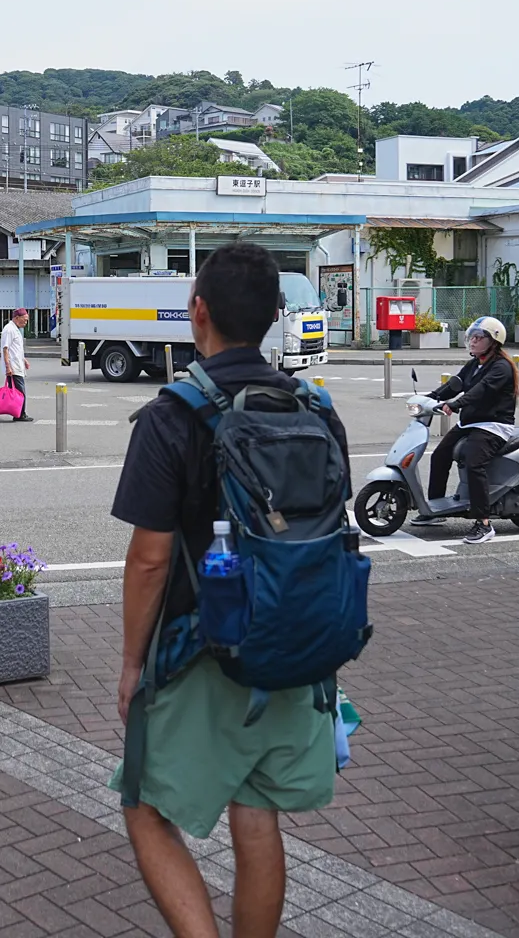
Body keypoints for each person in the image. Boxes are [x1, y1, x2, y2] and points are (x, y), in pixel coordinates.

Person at [109, 242, 351, 938]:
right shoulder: (316, 407)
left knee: (143, 804)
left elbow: (150, 561)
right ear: (276, 316)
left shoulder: (173, 415)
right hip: (297, 644)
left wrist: (131, 666)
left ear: (199, 312)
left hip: (201, 652)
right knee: (256, 811)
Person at [424, 315, 519, 544]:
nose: (473, 342)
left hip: (494, 426)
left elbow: (481, 391)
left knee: (474, 462)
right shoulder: (475, 363)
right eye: (472, 337)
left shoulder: (501, 367)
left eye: (479, 338)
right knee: (439, 455)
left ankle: (484, 523)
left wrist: (455, 404)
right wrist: (431, 397)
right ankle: (435, 509)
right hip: (470, 422)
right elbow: (455, 383)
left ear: (493, 342)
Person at [0, 306, 34, 421]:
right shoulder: (9, 329)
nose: (26, 322)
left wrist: (24, 360)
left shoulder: (15, 329)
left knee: (15, 391)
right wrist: (8, 366)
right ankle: (20, 414)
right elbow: (6, 348)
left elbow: (16, 349)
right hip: (13, 367)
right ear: (17, 317)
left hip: (17, 365)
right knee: (20, 392)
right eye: (25, 319)